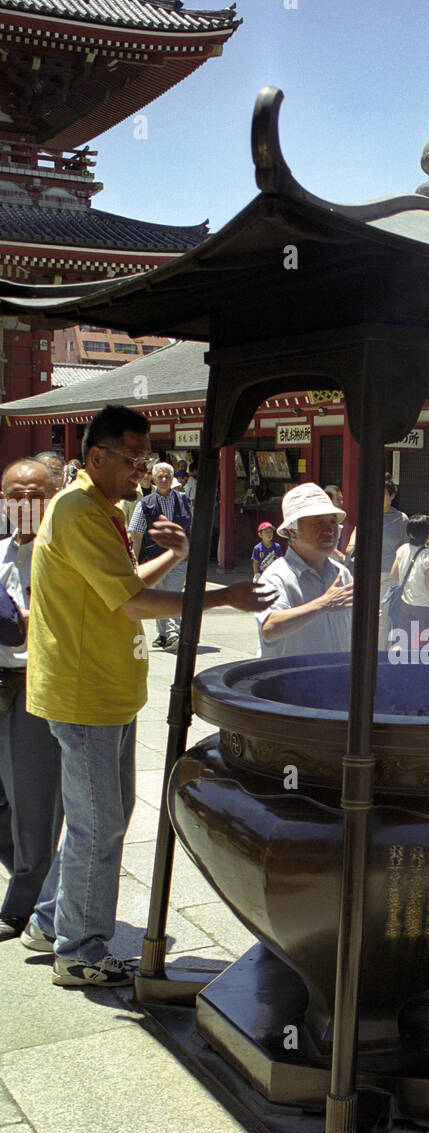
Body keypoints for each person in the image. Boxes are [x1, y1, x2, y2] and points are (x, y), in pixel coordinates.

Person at [20, 404, 269, 988]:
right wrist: (222, 597)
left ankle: (51, 919)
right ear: (96, 456)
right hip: (84, 690)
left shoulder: (103, 508)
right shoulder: (79, 509)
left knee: (105, 815)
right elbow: (133, 604)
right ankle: (80, 949)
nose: (142, 468)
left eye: (144, 457)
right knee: (99, 821)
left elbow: (124, 585)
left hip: (106, 685)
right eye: (131, 458)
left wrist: (177, 558)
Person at [0, 458, 63, 940]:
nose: (24, 503)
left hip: (34, 689)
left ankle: (24, 904)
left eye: (35, 494)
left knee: (34, 803)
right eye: (14, 495)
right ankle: (33, 879)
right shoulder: (0, 552)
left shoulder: (63, 554)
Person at [258, 482, 354, 658]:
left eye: (333, 522)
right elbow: (270, 627)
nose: (329, 530)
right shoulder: (276, 577)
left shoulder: (342, 574)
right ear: (292, 531)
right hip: (292, 683)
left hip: (337, 681)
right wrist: (322, 605)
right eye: (318, 523)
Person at [128, 460, 193, 653]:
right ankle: (163, 634)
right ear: (154, 480)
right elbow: (136, 533)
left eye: (167, 476)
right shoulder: (145, 504)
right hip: (155, 557)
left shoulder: (183, 500)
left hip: (180, 558)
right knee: (159, 594)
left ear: (172, 479)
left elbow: (192, 527)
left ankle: (174, 633)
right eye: (160, 476)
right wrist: (136, 562)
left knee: (173, 593)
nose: (164, 480)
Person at [344, 474, 407, 646]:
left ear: (392, 496)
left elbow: (405, 548)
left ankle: (378, 656)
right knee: (364, 614)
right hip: (367, 573)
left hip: (389, 574)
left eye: (384, 493)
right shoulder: (368, 514)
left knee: (382, 616)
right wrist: (351, 546)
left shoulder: (401, 519)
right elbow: (356, 532)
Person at [388, 514, 429, 651]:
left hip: (404, 603)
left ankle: (403, 666)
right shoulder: (428, 555)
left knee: (405, 641)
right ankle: (425, 668)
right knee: (428, 642)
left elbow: (393, 573)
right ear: (428, 534)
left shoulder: (402, 549)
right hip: (423, 604)